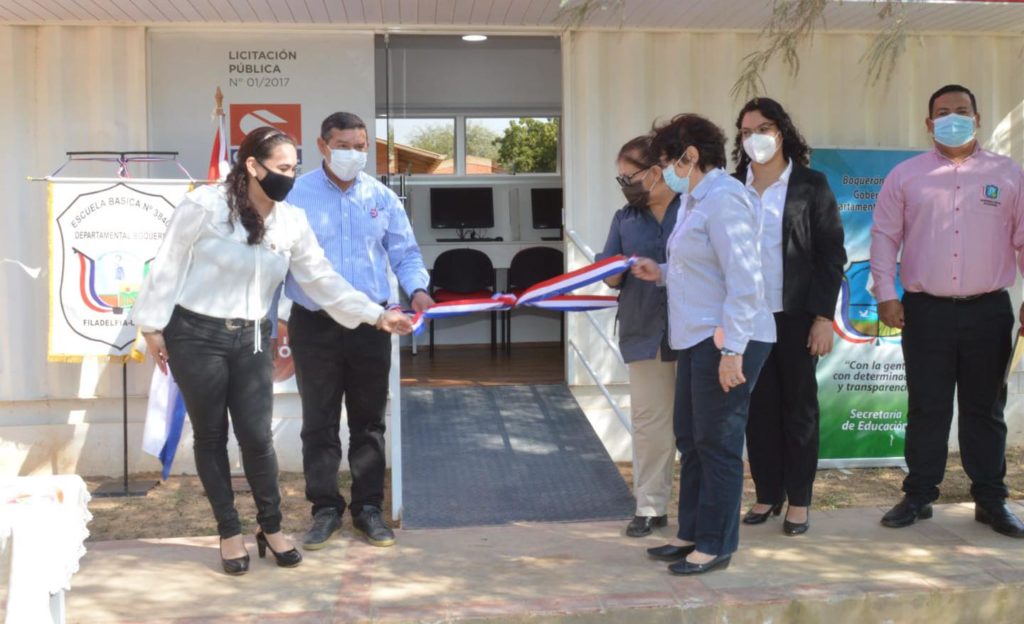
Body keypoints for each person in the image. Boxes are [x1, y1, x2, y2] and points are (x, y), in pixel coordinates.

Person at [133, 127, 413, 576]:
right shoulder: (203, 208)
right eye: (282, 169)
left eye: (294, 168)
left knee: (257, 438)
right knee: (210, 437)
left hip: (251, 337)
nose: (290, 177)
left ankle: (272, 527)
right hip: (195, 335)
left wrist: (375, 315)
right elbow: (166, 267)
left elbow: (322, 281)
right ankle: (229, 531)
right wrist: (151, 327)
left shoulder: (290, 221)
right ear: (252, 166)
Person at [871, 84, 1024, 538]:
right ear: (928, 122)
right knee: (927, 407)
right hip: (925, 311)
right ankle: (919, 495)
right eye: (943, 112)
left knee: (984, 409)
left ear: (977, 119)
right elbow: (884, 236)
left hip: (990, 310)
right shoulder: (906, 176)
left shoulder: (1010, 174)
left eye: (961, 111)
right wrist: (885, 293)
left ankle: (991, 500)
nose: (952, 117)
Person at [633, 114, 775, 575]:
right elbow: (702, 267)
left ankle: (716, 543)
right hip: (698, 336)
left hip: (729, 337)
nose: (662, 173)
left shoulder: (725, 199)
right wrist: (660, 272)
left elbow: (745, 280)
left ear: (690, 156)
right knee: (691, 439)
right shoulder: (695, 200)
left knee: (717, 442)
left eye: (665, 162)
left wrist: (733, 351)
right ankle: (692, 531)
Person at [284, 112, 433, 550]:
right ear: (322, 146)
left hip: (372, 324)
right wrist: (275, 318)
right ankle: (325, 509)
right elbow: (278, 259)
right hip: (314, 324)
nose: (354, 154)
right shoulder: (295, 195)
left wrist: (418, 289)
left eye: (361, 145)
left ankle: (368, 509)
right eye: (345, 145)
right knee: (319, 422)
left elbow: (404, 252)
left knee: (369, 422)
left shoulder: (383, 197)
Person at [731, 98, 847, 536]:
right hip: (746, 321)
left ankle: (798, 500)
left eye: (762, 128)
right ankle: (766, 495)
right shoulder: (730, 187)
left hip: (797, 317)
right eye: (745, 132)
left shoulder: (810, 185)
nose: (754, 138)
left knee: (798, 410)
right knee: (757, 411)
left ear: (781, 131)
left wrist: (823, 317)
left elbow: (831, 254)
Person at [597, 134, 680, 538]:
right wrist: (613, 269)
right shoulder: (623, 219)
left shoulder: (695, 209)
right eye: (620, 180)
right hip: (644, 332)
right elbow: (608, 275)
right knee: (651, 425)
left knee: (700, 427)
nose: (625, 185)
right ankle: (650, 506)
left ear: (654, 171)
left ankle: (704, 507)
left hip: (698, 334)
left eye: (627, 176)